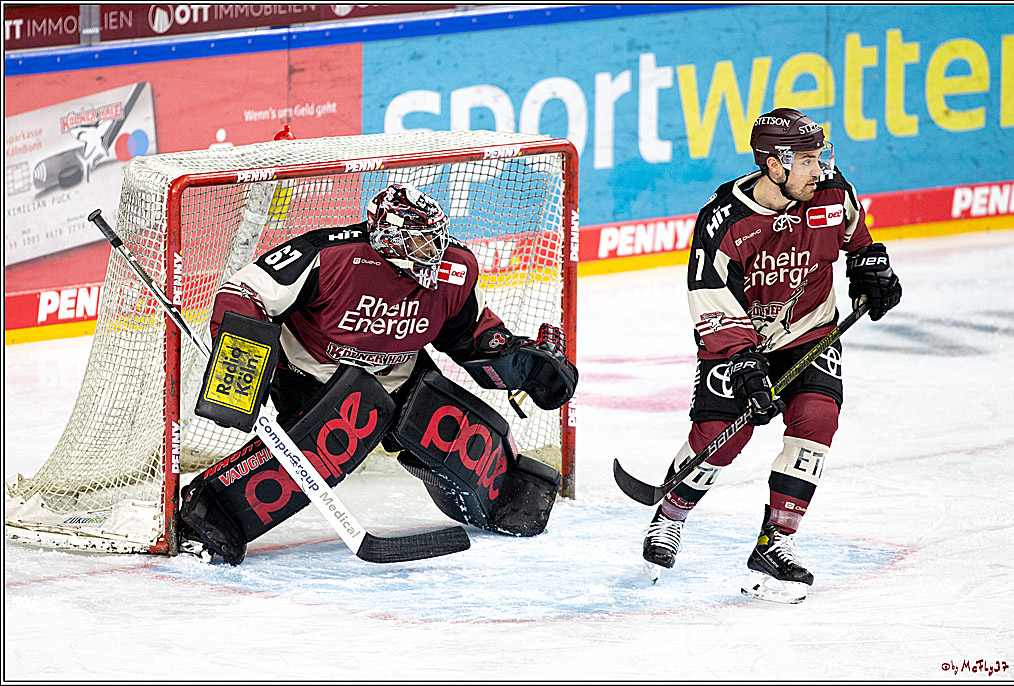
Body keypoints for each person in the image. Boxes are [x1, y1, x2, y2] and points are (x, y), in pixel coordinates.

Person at [179, 183, 577, 564]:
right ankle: (213, 509)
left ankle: (504, 490)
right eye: (419, 241)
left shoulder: (456, 269)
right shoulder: (327, 255)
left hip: (400, 371)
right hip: (312, 375)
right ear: (387, 237)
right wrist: (243, 363)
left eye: (435, 239)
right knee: (335, 440)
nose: (433, 252)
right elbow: (243, 294)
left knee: (447, 424)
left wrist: (515, 360)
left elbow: (469, 332)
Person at [641, 108, 902, 602]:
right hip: (741, 341)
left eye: (819, 156)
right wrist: (743, 364)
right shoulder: (724, 220)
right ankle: (670, 514)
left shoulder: (831, 193)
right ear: (774, 165)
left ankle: (775, 542)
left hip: (811, 334)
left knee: (817, 420)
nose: (818, 167)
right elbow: (711, 300)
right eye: (806, 160)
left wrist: (871, 267)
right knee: (721, 438)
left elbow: (856, 238)